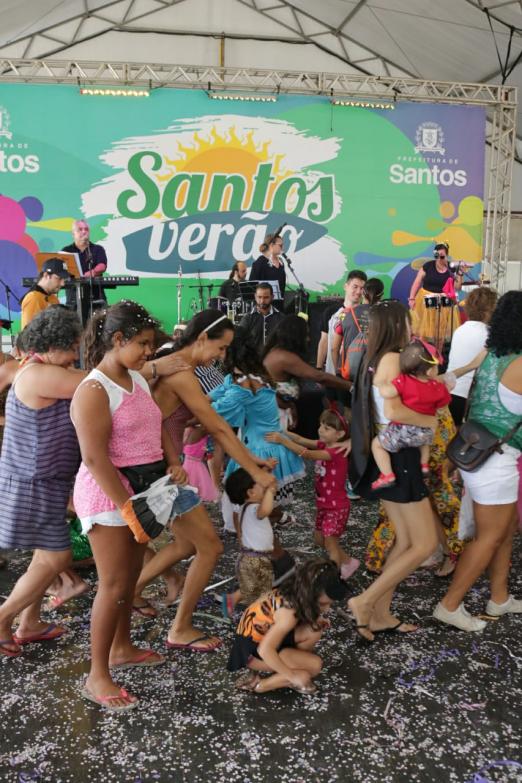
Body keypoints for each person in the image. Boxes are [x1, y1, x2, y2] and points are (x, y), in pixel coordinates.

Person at [71, 301, 200, 710]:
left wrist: (174, 460)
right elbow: (94, 459)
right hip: (108, 496)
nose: (150, 352)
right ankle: (98, 673)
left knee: (128, 581)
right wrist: (127, 506)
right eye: (143, 344)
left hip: (142, 493)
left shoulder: (135, 380)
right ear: (117, 339)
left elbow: (157, 425)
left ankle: (122, 647)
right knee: (111, 586)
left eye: (151, 344)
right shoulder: (93, 390)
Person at [133, 310, 277, 650]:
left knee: (186, 545)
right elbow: (216, 427)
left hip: (159, 466)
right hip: (160, 471)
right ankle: (178, 627)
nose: (222, 357)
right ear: (201, 340)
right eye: (221, 348)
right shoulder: (180, 370)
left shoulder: (179, 365)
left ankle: (130, 594)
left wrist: (248, 458)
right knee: (210, 547)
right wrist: (255, 471)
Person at [348, 300, 439, 641]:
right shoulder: (390, 358)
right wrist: (431, 418)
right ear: (395, 324)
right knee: (425, 543)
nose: (411, 325)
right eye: (407, 320)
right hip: (401, 457)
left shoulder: (374, 357)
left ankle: (381, 614)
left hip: (390, 455)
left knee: (406, 540)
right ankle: (366, 601)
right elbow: (397, 411)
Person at [433, 291, 522, 632]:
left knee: (504, 531)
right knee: (489, 537)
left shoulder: (491, 352)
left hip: (477, 453)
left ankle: (498, 597)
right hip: (497, 461)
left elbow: (457, 372)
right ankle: (449, 604)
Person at [0, 306, 83, 658]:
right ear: (53, 346)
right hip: (33, 479)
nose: (76, 354)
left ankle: (29, 622)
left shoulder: (39, 368)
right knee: (56, 555)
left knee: (43, 556)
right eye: (73, 347)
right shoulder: (38, 374)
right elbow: (99, 383)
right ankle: (3, 618)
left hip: (42, 478)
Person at [210, 327, 305, 508]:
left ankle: (263, 529)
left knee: (254, 506)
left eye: (222, 349)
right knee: (260, 506)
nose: (218, 353)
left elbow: (214, 409)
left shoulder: (244, 385)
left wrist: (190, 412)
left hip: (261, 450)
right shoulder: (252, 376)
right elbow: (216, 394)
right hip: (264, 444)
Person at [228, 558, 348, 694]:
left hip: (262, 640)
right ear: (309, 596)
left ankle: (291, 663)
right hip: (253, 653)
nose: (327, 609)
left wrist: (317, 617)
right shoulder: (288, 614)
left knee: (314, 630)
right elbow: (264, 650)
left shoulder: (293, 591)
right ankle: (261, 685)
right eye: (322, 604)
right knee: (313, 668)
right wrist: (292, 676)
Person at [267, 409, 359, 579]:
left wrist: (282, 440)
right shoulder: (325, 445)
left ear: (340, 434)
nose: (321, 429)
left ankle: (333, 579)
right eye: (321, 425)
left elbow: (306, 453)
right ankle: (348, 562)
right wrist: (283, 431)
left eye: (327, 428)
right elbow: (301, 440)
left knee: (331, 543)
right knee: (319, 540)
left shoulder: (336, 453)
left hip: (336, 507)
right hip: (324, 505)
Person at [370, 341, 451, 490]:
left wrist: (381, 384)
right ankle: (424, 465)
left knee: (376, 445)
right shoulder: (439, 387)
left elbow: (387, 392)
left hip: (403, 431)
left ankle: (387, 474)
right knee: (424, 441)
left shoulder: (405, 381)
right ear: (429, 372)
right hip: (425, 432)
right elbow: (442, 406)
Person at [263, 314, 352, 439]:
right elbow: (319, 377)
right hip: (274, 420)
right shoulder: (283, 357)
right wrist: (350, 386)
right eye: (306, 335)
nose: (309, 339)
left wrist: (290, 406)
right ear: (295, 335)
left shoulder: (278, 352)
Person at [223, 468, 276, 608]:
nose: (264, 487)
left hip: (249, 557)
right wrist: (270, 492)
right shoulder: (254, 508)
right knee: (262, 590)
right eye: (261, 485)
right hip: (256, 560)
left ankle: (234, 600)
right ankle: (258, 615)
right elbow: (264, 511)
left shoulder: (244, 508)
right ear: (251, 492)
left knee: (253, 588)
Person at [447, 286, 498, 426]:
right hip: (468, 396)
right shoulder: (490, 334)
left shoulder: (460, 330)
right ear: (490, 310)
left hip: (449, 390)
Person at [408, 243, 463, 346]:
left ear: (447, 256)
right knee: (423, 330)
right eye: (436, 256)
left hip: (444, 301)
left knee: (440, 332)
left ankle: (438, 354)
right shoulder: (428, 266)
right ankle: (423, 352)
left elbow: (457, 288)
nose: (439, 259)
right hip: (426, 299)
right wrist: (411, 298)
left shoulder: (452, 268)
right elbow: (417, 282)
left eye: (442, 256)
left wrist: (460, 274)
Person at [316, 269, 367, 377]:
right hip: (332, 374)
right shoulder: (330, 312)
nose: (358, 292)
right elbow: (324, 341)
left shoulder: (367, 314)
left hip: (357, 375)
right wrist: (319, 368)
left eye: (362, 288)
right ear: (346, 286)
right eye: (355, 287)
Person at [330, 277, 384, 377]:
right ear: (382, 295)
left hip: (349, 373)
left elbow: (334, 348)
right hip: (375, 374)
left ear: (363, 292)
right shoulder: (387, 316)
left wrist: (338, 370)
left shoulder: (345, 313)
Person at [62, 219, 107, 324]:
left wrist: (90, 273)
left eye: (86, 229)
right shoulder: (66, 250)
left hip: (96, 298)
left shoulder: (97, 249)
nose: (84, 231)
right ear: (73, 233)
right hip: (73, 298)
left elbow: (102, 265)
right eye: (80, 229)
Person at [21, 258, 70, 328]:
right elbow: (30, 335)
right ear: (46, 275)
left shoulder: (53, 298)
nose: (63, 284)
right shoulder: (33, 298)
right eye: (59, 278)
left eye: (64, 279)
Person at [239, 282, 284, 351]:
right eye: (259, 297)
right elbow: (240, 341)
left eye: (266, 297)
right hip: (253, 360)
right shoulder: (247, 318)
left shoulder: (281, 318)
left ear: (272, 297)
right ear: (255, 296)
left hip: (274, 360)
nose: (262, 301)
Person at [181, 424, 218, 502]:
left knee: (193, 490)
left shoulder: (195, 431)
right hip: (192, 465)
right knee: (192, 490)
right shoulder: (200, 430)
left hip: (194, 463)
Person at [249, 233, 286, 301]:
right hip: (263, 305)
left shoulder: (281, 263)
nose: (282, 248)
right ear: (271, 245)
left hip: (279, 304)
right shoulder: (259, 263)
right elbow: (252, 288)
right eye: (280, 245)